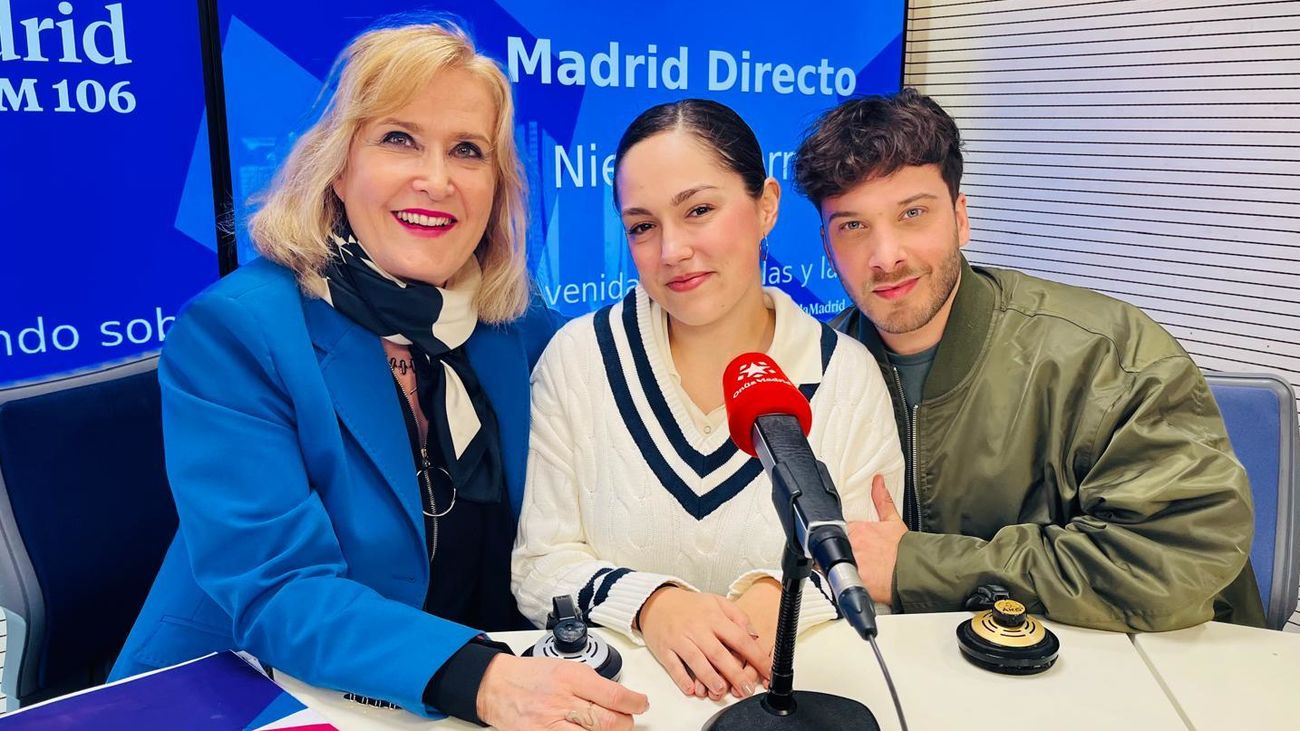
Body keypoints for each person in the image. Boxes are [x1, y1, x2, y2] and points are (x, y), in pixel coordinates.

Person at [110, 20, 650, 729]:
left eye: (468, 150)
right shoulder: (238, 332)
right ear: (338, 167)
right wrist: (481, 677)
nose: (437, 179)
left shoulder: (522, 331)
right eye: (399, 139)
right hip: (257, 689)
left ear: (497, 187)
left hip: (470, 695)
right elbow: (280, 589)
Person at [791, 88, 1265, 631]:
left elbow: (1176, 556)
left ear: (960, 218)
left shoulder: (1104, 355)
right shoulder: (818, 373)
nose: (886, 256)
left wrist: (917, 567)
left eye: (913, 214)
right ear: (827, 246)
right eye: (853, 226)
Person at [511, 99, 905, 702]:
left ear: (766, 205)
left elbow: (870, 569)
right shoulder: (579, 359)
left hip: (790, 704)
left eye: (698, 210)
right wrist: (652, 605)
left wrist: (782, 595)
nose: (671, 250)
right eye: (642, 226)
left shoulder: (846, 376)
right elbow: (537, 565)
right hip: (622, 709)